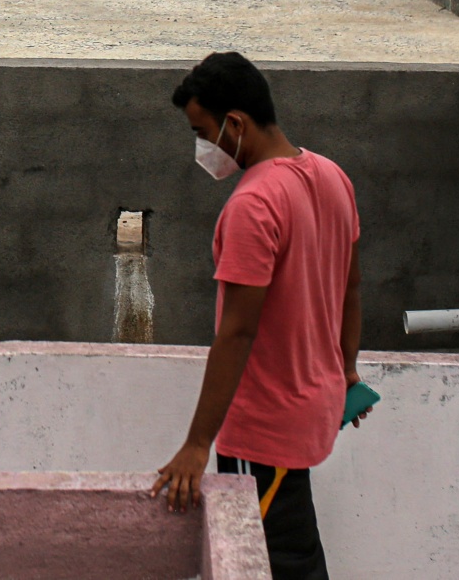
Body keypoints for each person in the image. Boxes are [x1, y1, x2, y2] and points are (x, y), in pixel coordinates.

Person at [151, 52, 363, 580]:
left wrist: (198, 444)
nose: (203, 147)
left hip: (264, 429)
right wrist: (348, 372)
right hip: (313, 408)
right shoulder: (333, 177)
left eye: (204, 132)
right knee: (294, 551)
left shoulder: (253, 205)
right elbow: (351, 289)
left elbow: (237, 331)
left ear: (237, 124)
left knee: (268, 563)